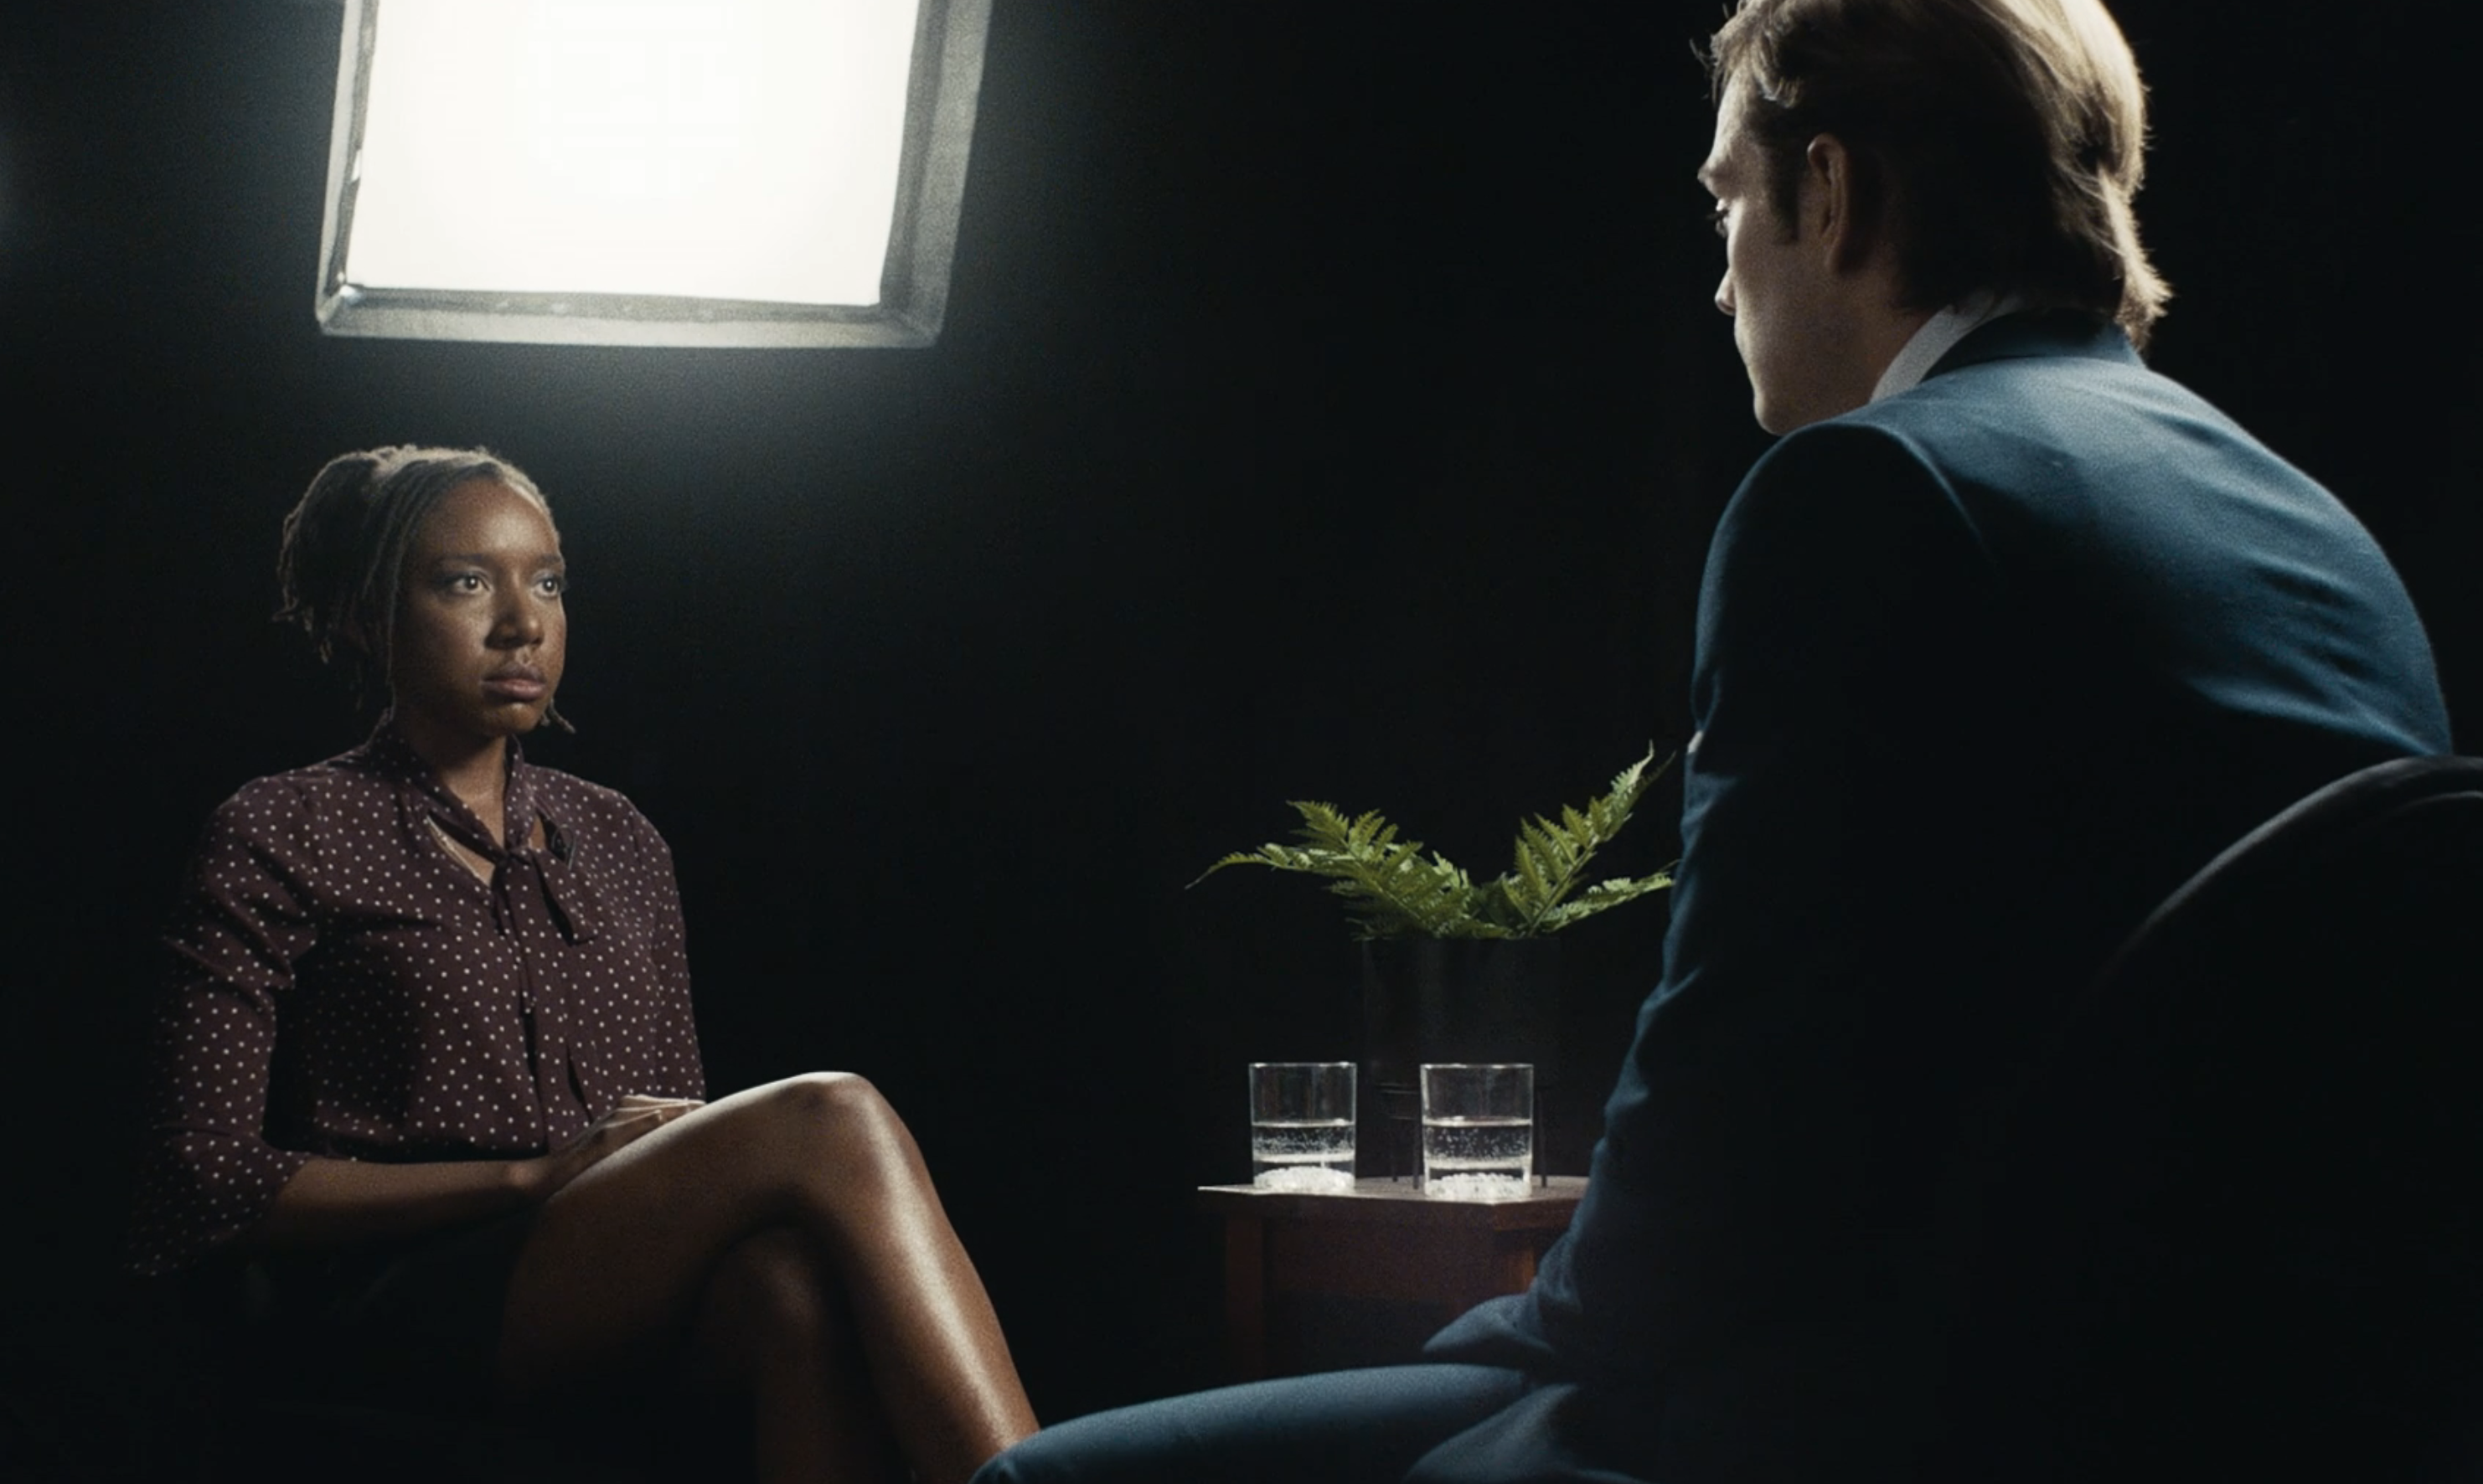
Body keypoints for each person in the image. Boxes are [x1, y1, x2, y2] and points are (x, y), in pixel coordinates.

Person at [974, 1, 2451, 1480]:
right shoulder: (2322, 539)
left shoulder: (1867, 493)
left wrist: (1495, 1350)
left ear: (1831, 190)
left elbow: (1724, 1132)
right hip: (2258, 1414)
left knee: (1043, 1479)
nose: (1720, 273)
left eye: (1728, 201)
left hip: (1883, 1414)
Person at [128, 445, 1038, 1484]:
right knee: (831, 1113)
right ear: (361, 616)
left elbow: (675, 1122)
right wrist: (527, 1175)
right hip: (394, 1296)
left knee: (790, 1285)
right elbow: (200, 1181)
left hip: (603, 1271)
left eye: (547, 581)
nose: (522, 623)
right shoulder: (281, 827)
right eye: (465, 581)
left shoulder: (618, 837)